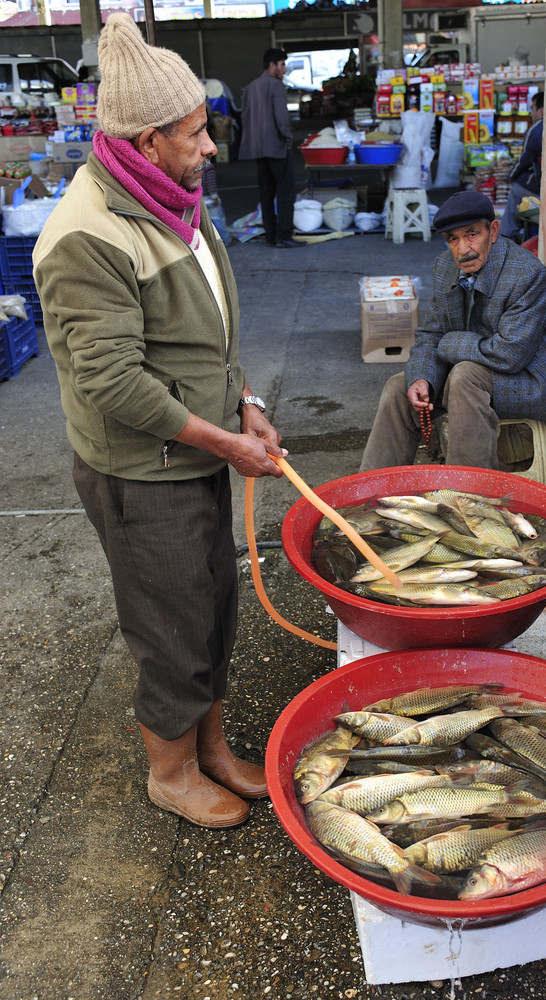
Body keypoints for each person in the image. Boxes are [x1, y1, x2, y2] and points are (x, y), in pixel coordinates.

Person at [33, 13, 288, 830]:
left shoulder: (175, 198)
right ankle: (171, 772)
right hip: (142, 472)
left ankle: (210, 746)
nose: (211, 146)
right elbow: (112, 381)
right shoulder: (86, 235)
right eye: (194, 132)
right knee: (168, 619)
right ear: (146, 142)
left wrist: (246, 403)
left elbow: (208, 323)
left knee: (213, 603)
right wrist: (224, 444)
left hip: (197, 449)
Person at [360, 190, 546, 471]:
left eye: (472, 234)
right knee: (399, 388)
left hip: (531, 381)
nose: (463, 249)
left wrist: (449, 344)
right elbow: (430, 333)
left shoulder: (526, 274)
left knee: (464, 377)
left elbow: (510, 355)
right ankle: (374, 493)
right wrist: (422, 377)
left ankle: (467, 498)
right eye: (453, 238)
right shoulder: (446, 267)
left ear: (493, 231)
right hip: (476, 369)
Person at [239, 48, 301, 249]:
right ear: (272, 65)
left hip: (258, 149)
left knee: (266, 193)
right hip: (277, 147)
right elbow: (282, 118)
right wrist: (289, 139)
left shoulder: (249, 88)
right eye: (282, 64)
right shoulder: (275, 86)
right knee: (285, 192)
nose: (284, 69)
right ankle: (284, 236)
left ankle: (271, 236)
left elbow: (245, 119)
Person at [499, 91, 544, 243]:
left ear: (541, 110)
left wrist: (510, 176)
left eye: (532, 109)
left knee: (517, 189)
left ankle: (506, 236)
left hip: (542, 184)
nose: (531, 113)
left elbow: (525, 159)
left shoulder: (537, 129)